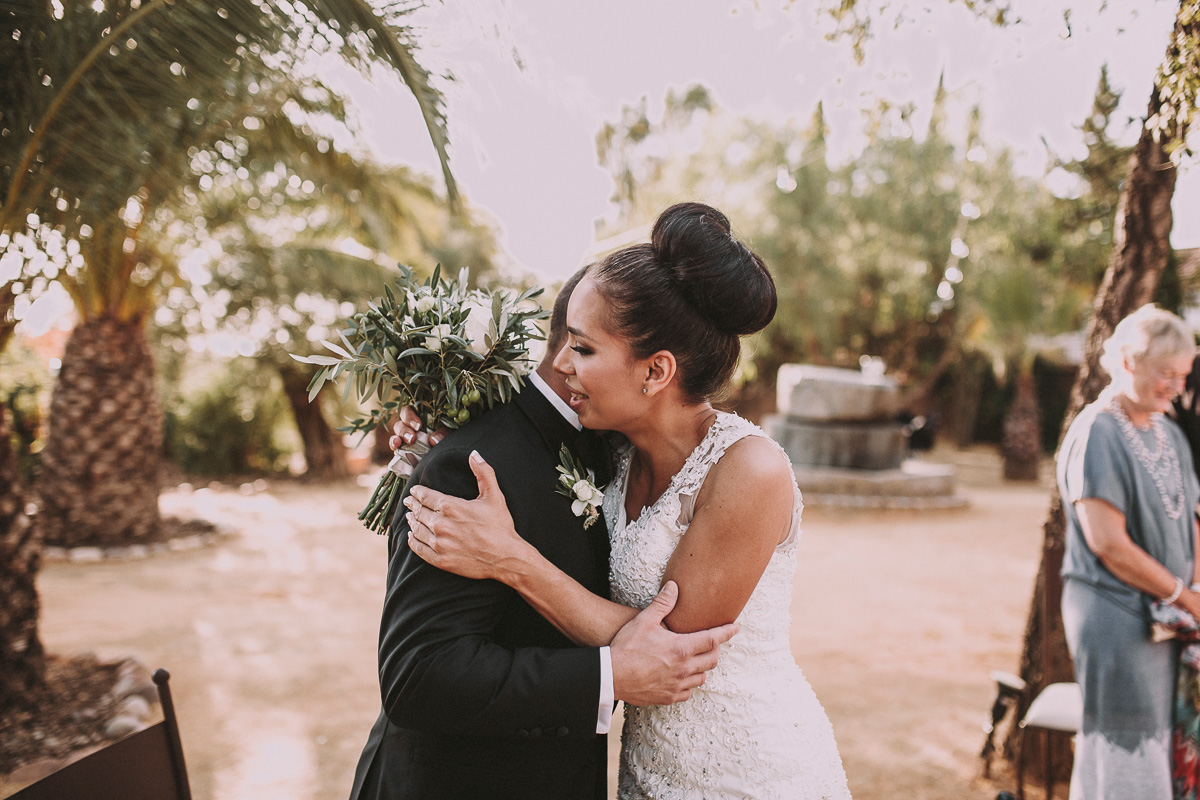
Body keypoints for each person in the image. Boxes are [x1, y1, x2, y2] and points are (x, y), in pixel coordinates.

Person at [405, 203, 851, 798]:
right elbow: (525, 439)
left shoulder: (750, 471)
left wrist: (509, 559)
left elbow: (665, 649)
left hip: (748, 769)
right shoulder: (611, 451)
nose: (561, 363)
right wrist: (442, 431)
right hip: (647, 768)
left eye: (583, 350)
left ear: (656, 371)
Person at [348, 265, 740, 800]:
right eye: (575, 345)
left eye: (585, 349)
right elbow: (419, 676)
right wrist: (608, 676)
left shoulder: (626, 449)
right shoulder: (471, 463)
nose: (564, 362)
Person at [1057, 304, 1200, 798]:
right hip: (1117, 617)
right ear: (1127, 361)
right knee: (1126, 746)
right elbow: (1109, 545)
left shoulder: (1169, 432)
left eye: (1182, 374)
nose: (1176, 386)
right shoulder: (1098, 431)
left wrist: (1194, 590)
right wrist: (1186, 596)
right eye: (1165, 373)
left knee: (1160, 742)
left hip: (1171, 616)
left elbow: (1191, 519)